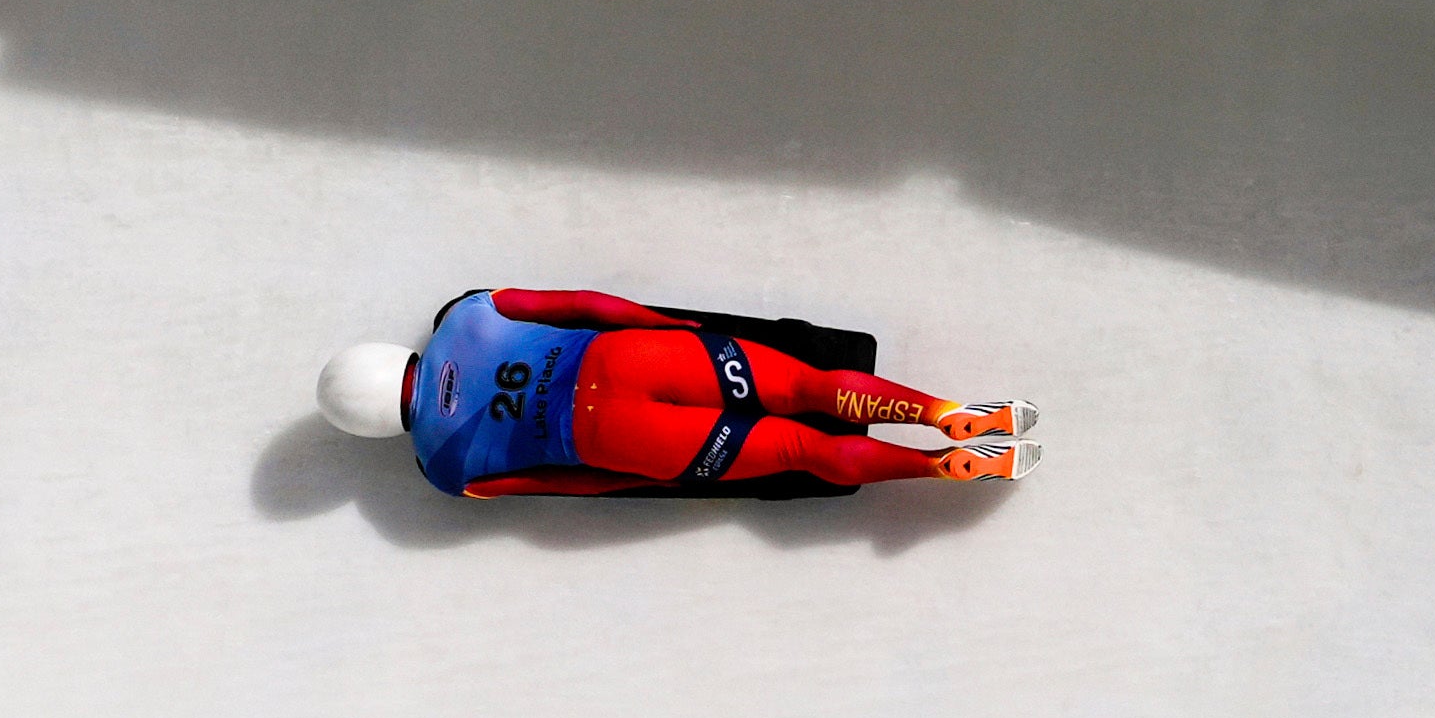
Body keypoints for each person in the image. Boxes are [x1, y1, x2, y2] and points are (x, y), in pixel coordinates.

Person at [318, 288, 1033, 497]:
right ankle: (945, 414)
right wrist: (675, 328)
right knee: (805, 383)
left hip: (611, 440)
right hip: (627, 358)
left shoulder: (444, 469)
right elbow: (584, 303)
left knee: (798, 447)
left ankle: (935, 467)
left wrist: (627, 476)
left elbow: (556, 483)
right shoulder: (467, 312)